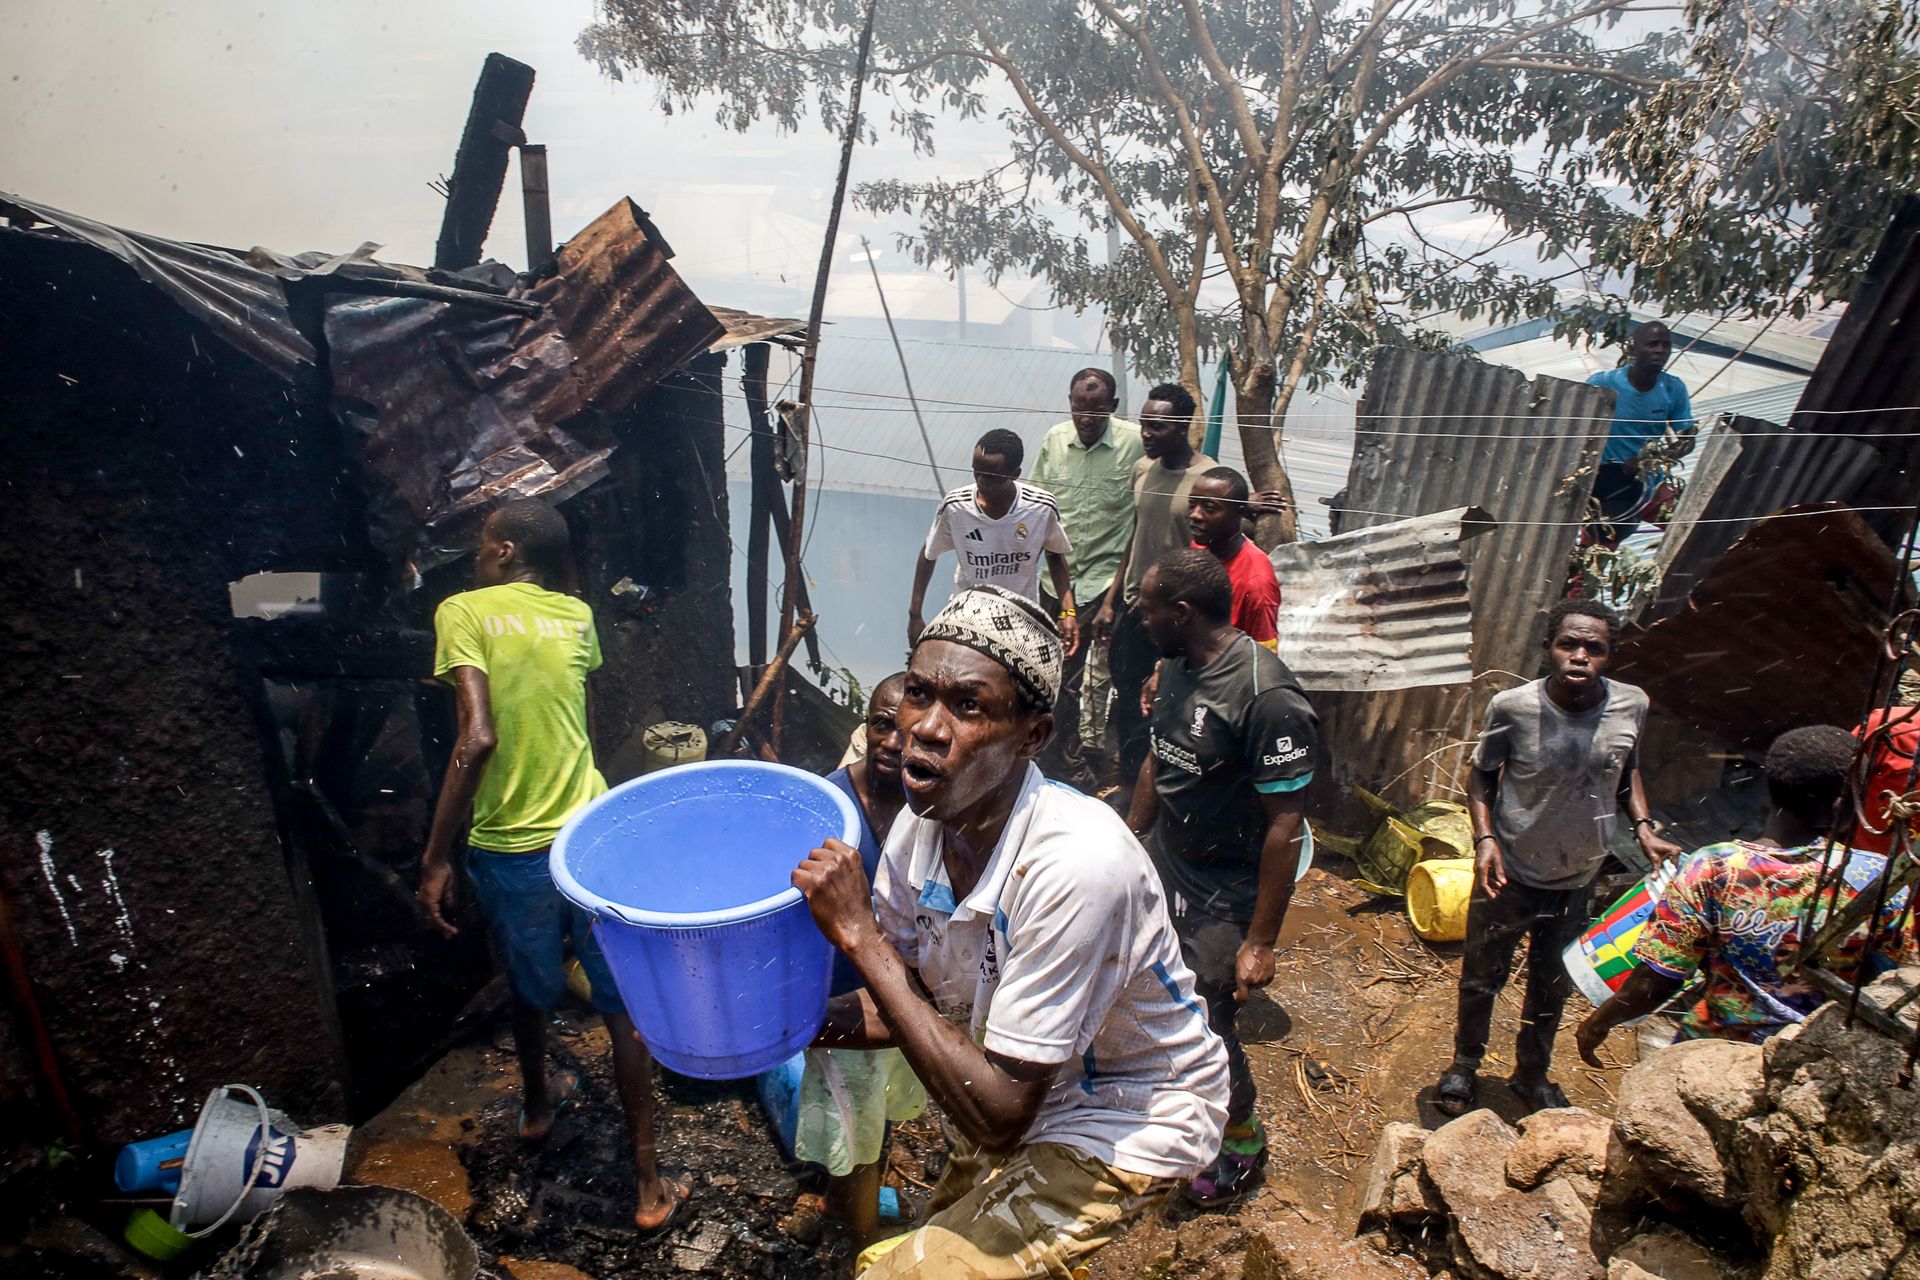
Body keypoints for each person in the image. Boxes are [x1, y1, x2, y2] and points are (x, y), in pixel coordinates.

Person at [792, 585, 1230, 1278]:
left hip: (1125, 1114)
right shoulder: (919, 832)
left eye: (968, 705)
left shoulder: (1077, 866)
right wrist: (774, 1026)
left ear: (1033, 736)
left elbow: (998, 1118)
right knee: (932, 1240)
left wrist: (860, 938)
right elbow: (904, 996)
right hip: (1013, 1076)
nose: (925, 728)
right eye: (918, 693)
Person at [415, 499, 684, 1234]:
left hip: (512, 843)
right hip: (590, 837)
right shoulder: (577, 616)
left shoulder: (462, 611)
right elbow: (575, 721)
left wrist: (434, 857)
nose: (476, 556)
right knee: (622, 1007)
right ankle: (648, 1186)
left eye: (482, 544)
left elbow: (477, 738)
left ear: (503, 551)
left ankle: (536, 1109)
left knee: (526, 984)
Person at [1433, 597, 1684, 1117]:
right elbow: (1482, 776)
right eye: (1569, 644)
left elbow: (1628, 769)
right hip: (1509, 871)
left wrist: (1643, 827)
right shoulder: (1513, 708)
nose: (1580, 656)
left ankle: (1531, 1073)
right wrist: (1485, 839)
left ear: (1610, 656)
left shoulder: (1631, 704)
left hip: (1577, 876)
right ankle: (1464, 1064)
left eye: (1595, 648)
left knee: (1551, 985)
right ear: (1548, 647)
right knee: (1481, 978)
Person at [1125, 549, 1316, 1206]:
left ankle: (1241, 1136)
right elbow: (1159, 757)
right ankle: (1169, 1099)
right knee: (1144, 985)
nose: (1140, 617)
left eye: (1147, 608)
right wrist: (1129, 841)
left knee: (1206, 1019)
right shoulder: (1175, 666)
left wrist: (1259, 940)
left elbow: (1286, 825)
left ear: (1181, 613)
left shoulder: (1268, 698)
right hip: (1168, 858)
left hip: (1227, 886)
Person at [1576, 725, 1916, 1054]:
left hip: (1712, 1052)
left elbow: (1658, 979)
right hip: (1815, 1056)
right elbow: (1889, 980)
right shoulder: (1879, 881)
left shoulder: (1716, 868)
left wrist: (1599, 1023)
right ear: (1841, 806)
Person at [803, 674, 929, 1245]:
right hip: (841, 1002)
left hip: (901, 994)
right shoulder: (827, 806)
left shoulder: (926, 802)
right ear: (866, 726)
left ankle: (845, 1201)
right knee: (853, 1128)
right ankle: (863, 1244)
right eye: (882, 726)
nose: (893, 744)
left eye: (907, 732)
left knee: (880, 1113)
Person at [1096, 383, 1216, 789]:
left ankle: (1165, 790)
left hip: (1177, 620)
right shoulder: (1143, 470)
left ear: (1182, 427)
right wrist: (1111, 600)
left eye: (1157, 427)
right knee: (1129, 702)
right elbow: (1136, 536)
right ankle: (1130, 790)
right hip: (1135, 610)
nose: (1146, 434)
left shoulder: (1205, 478)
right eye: (1144, 424)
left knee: (1170, 705)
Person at [1028, 369, 1143, 777]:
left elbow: (1175, 476)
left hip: (1107, 580)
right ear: (1070, 403)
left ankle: (1094, 763)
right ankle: (1061, 762)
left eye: (1096, 409)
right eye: (1079, 408)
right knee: (1056, 676)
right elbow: (1036, 507)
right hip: (1057, 581)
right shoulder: (1055, 441)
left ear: (1112, 407)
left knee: (1112, 677)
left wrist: (1243, 498)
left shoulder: (1134, 443)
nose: (1087, 418)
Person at [910, 429, 1077, 655]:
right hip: (966, 616)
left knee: (1043, 673)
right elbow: (928, 555)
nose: (981, 482)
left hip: (1020, 621)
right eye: (976, 473)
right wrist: (915, 614)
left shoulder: (1040, 507)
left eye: (990, 477)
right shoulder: (956, 506)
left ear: (1015, 474)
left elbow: (1055, 556)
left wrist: (1068, 612)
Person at [1584, 321, 1696, 542]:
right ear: (1632, 349)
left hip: (1650, 483)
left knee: (1687, 532)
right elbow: (1577, 432)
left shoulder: (1673, 388)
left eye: (1666, 345)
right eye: (1653, 344)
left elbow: (1687, 439)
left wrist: (1651, 458)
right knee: (1599, 545)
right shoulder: (1603, 384)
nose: (1660, 350)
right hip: (1606, 487)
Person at [1187, 466, 1281, 647]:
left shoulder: (1256, 583)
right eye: (1192, 504)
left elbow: (1263, 653)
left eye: (1209, 508)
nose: (1195, 515)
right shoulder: (1199, 547)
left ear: (1240, 512)